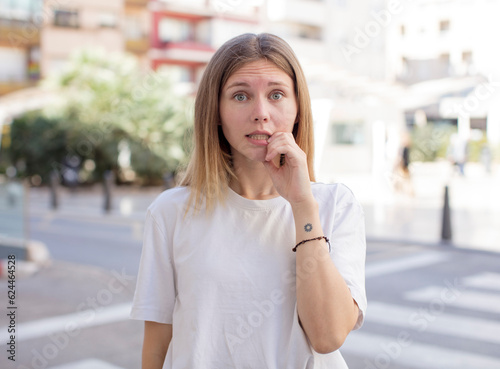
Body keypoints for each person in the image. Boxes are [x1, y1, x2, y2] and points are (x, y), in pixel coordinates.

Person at [130, 33, 367, 369]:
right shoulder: (171, 212)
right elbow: (156, 342)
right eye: (240, 96)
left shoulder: (335, 205)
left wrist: (302, 204)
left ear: (298, 109)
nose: (261, 113)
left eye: (277, 95)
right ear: (216, 111)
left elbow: (327, 337)